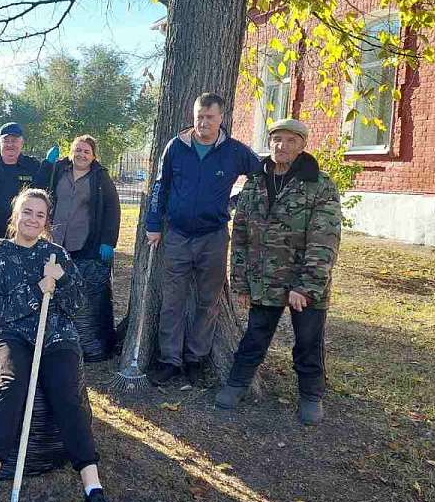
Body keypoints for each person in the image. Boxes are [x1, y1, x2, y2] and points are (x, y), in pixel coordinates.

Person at [0, 188, 119, 502]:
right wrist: (37, 290)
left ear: (46, 222)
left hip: (55, 336)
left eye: (40, 215)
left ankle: (93, 490)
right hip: (11, 336)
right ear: (16, 215)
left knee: (67, 395)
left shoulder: (55, 255)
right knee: (12, 385)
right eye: (27, 212)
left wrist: (62, 279)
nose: (33, 219)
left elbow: (77, 303)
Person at [216, 118, 341, 425]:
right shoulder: (255, 182)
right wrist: (241, 284)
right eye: (276, 139)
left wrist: (306, 287)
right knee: (255, 336)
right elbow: (241, 235)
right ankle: (237, 384)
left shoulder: (319, 184)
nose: (282, 146)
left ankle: (311, 395)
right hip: (265, 280)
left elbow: (325, 240)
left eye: (290, 140)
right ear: (269, 143)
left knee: (308, 341)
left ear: (302, 146)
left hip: (304, 284)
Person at [145, 93, 262, 386]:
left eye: (210, 117)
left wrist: (235, 202)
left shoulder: (234, 151)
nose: (204, 122)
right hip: (177, 235)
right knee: (173, 300)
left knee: (208, 302)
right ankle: (170, 360)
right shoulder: (176, 146)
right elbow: (160, 186)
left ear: (221, 118)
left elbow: (261, 174)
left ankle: (195, 359)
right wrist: (153, 224)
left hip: (214, 237)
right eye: (199, 116)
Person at [34, 135, 120, 355]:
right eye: (78, 150)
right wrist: (47, 165)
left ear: (93, 156)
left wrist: (108, 241)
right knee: (52, 288)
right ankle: (51, 336)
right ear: (71, 152)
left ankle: (86, 342)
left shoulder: (100, 177)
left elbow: (112, 209)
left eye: (86, 151)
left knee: (80, 290)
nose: (81, 155)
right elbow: (37, 191)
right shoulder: (58, 170)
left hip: (84, 244)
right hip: (54, 241)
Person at [0, 122, 40, 246]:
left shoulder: (33, 166)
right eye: (6, 140)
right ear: (0, 142)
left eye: (14, 140)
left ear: (21, 142)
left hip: (24, 229)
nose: (10, 145)